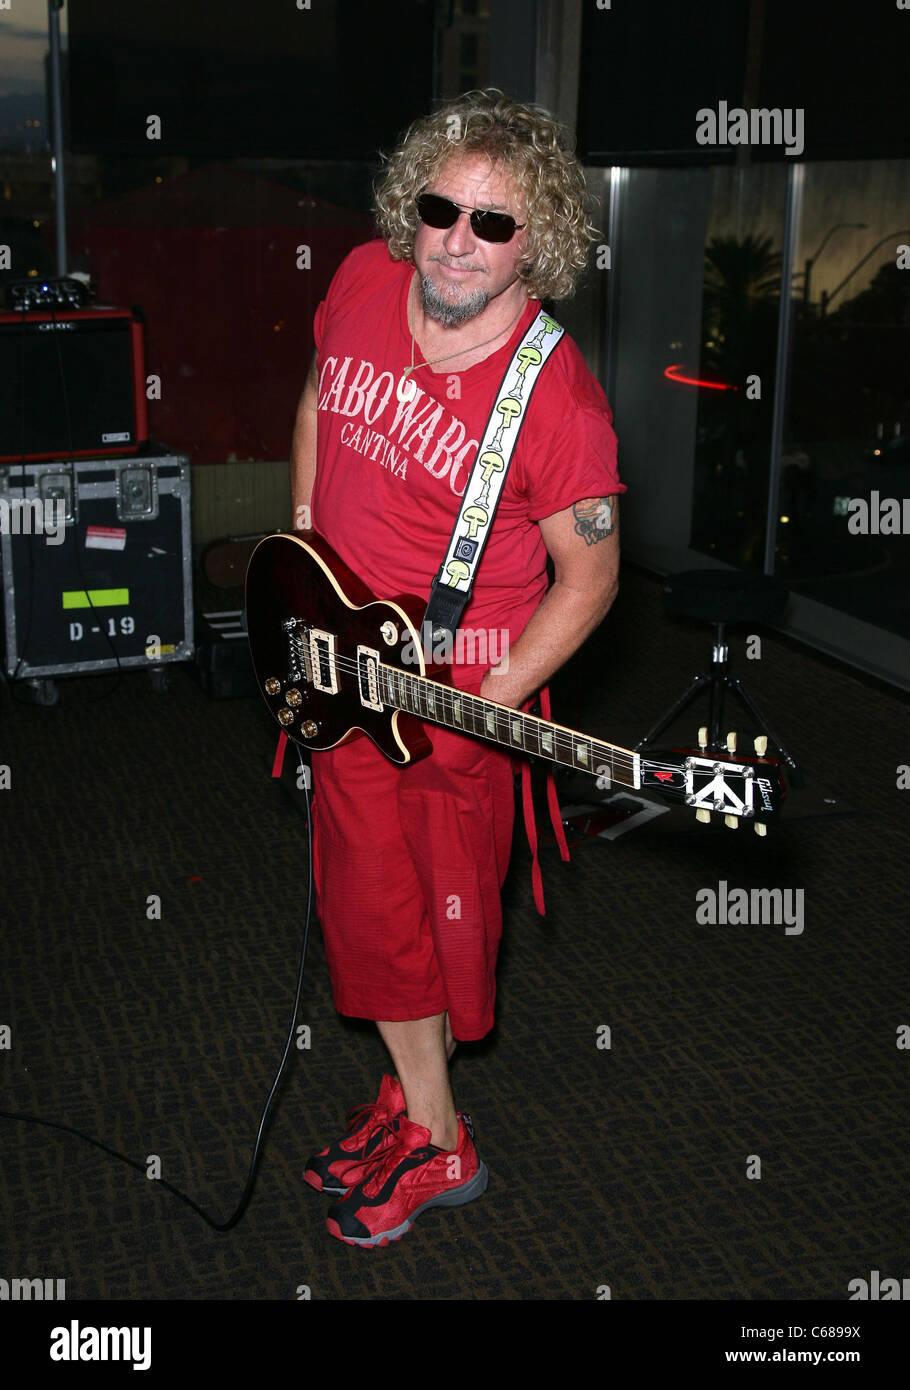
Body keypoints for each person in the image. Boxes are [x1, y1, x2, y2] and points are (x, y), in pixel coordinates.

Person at [289, 88, 624, 1247]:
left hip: (456, 692)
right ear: (411, 207)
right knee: (365, 907)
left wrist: (488, 696)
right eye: (441, 209)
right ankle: (408, 1097)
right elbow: (317, 397)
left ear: (540, 242)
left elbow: (590, 581)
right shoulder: (364, 283)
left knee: (429, 923)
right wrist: (299, 551)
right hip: (336, 666)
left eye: (495, 223)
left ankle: (442, 1145)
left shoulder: (560, 405)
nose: (457, 241)